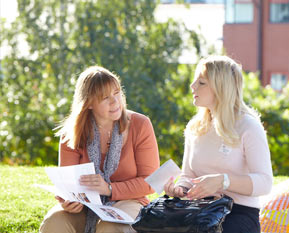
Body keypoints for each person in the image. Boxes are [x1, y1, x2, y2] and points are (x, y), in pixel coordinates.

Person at [40, 66, 160, 233]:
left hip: (130, 202)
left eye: (117, 93)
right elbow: (68, 185)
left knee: (110, 226)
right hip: (86, 207)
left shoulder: (140, 124)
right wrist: (68, 201)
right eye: (105, 98)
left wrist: (109, 189)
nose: (115, 101)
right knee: (55, 221)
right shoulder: (72, 133)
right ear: (88, 103)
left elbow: (151, 181)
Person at [164, 55, 273, 233]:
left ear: (221, 87)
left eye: (201, 83)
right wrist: (179, 189)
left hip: (238, 213)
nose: (192, 87)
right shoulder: (195, 127)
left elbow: (265, 182)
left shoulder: (249, 126)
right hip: (199, 210)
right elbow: (188, 175)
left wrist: (223, 181)